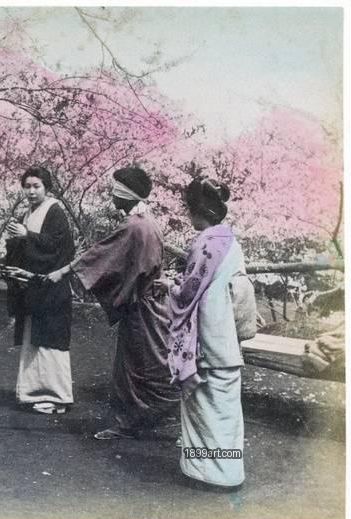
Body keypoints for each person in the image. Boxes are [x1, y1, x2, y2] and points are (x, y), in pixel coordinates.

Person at [46, 167, 179, 439]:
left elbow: (101, 254)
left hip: (143, 305)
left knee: (140, 365)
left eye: (115, 190)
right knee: (143, 362)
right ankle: (138, 420)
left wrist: (64, 271)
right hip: (151, 303)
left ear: (126, 195)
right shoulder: (146, 221)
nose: (111, 195)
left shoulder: (134, 226)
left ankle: (137, 421)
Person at [167, 178, 245, 489]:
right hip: (227, 329)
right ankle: (228, 471)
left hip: (207, 332)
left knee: (205, 400)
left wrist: (168, 286)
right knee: (224, 405)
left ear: (198, 210)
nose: (188, 216)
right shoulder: (231, 241)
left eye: (189, 209)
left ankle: (207, 472)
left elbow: (188, 291)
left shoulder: (207, 242)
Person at [3, 166, 75, 414]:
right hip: (34, 286)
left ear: (47, 187)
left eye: (37, 186)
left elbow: (58, 248)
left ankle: (56, 395)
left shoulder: (55, 212)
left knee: (50, 342)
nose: (31, 191)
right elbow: (27, 248)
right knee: (34, 340)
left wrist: (27, 236)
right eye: (28, 186)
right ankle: (33, 391)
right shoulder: (29, 213)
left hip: (51, 286)